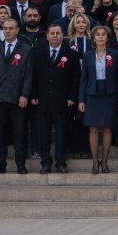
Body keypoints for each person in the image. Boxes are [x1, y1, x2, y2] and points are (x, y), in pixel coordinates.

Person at [28, 22, 78, 174]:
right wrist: (34, 94)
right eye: (52, 33)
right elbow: (32, 75)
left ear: (63, 36)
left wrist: (72, 96)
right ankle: (45, 163)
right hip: (42, 100)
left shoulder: (71, 54)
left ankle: (61, 163)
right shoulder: (37, 52)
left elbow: (75, 78)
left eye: (58, 33)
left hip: (62, 101)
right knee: (43, 134)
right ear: (47, 36)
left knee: (62, 134)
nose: (55, 36)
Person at [0, 16, 32, 174]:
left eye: (11, 28)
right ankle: (1, 164)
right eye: (5, 28)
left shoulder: (26, 49)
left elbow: (28, 75)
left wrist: (25, 94)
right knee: (0, 133)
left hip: (17, 98)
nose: (8, 31)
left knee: (19, 133)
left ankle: (20, 164)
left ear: (17, 30)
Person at [77, 25, 118, 174]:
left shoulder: (115, 54)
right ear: (93, 38)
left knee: (108, 128)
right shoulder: (88, 55)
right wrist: (81, 99)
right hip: (92, 94)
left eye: (103, 34)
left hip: (110, 93)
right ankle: (95, 161)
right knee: (93, 128)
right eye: (98, 35)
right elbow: (83, 78)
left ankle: (105, 161)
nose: (101, 37)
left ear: (107, 38)